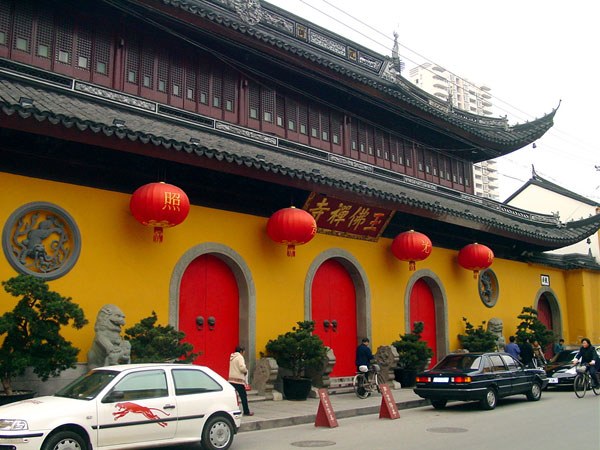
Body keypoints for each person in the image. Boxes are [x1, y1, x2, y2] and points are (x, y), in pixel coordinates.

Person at [229, 345, 253, 416]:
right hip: (238, 380)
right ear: (241, 351)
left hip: (231, 379)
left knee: (233, 396)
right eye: (244, 351)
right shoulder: (240, 357)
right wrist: (245, 371)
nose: (244, 353)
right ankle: (246, 411)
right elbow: (242, 367)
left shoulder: (232, 357)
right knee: (243, 396)